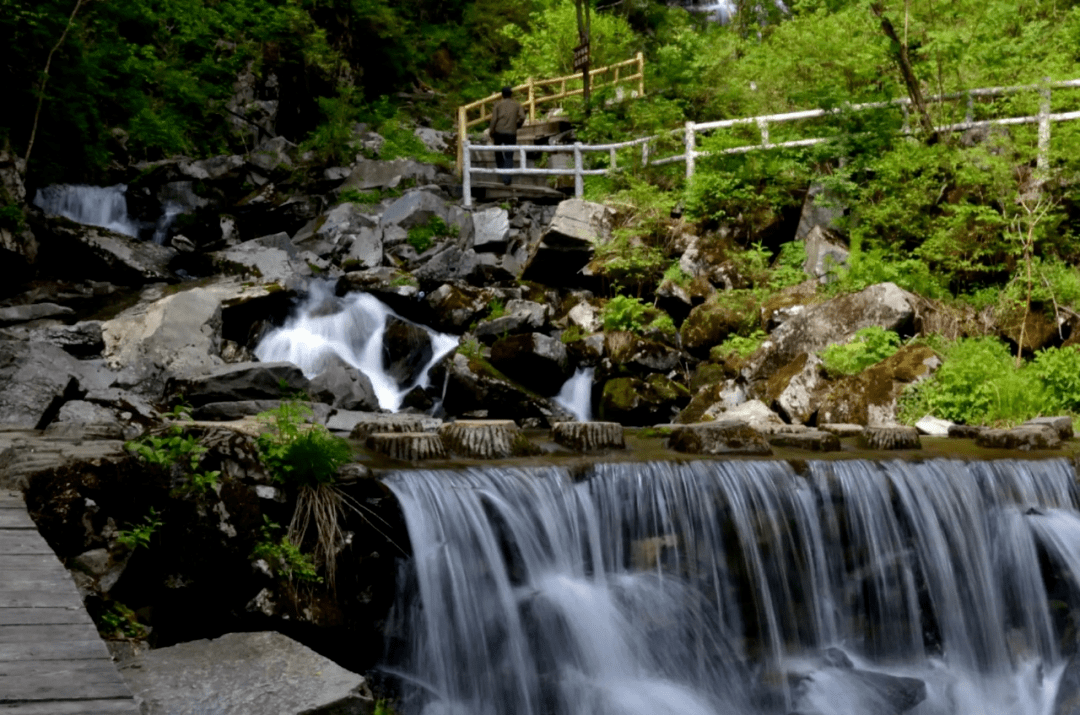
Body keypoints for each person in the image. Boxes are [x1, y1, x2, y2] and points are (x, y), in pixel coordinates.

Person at [490, 86, 526, 185]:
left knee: (498, 153)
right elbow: (522, 116)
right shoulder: (517, 105)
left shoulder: (498, 105)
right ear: (511, 94)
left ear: (502, 94)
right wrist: (518, 124)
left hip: (498, 132)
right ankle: (507, 178)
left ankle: (503, 174)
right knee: (509, 155)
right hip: (511, 132)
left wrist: (491, 131)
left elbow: (493, 120)